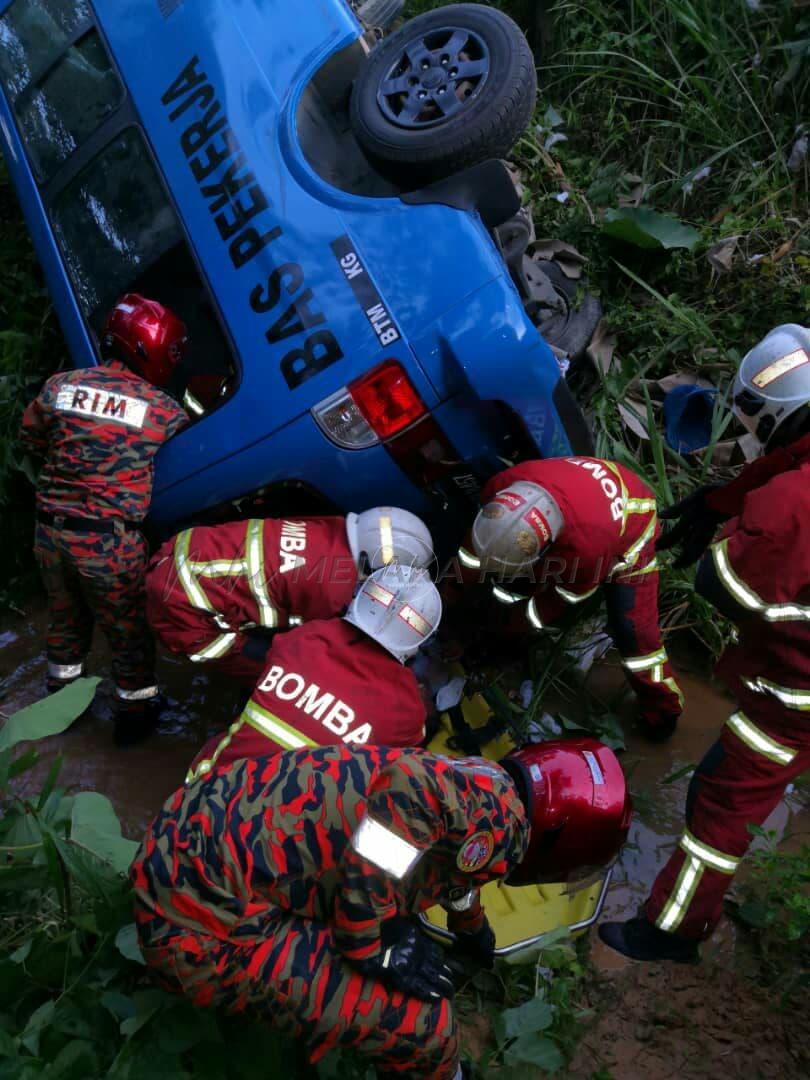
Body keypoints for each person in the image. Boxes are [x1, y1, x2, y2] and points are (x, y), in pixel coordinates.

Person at [131, 738, 631, 1080]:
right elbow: (411, 788)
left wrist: (469, 922)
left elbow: (443, 855)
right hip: (197, 926)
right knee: (426, 1025)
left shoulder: (485, 779)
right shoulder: (502, 825)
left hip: (189, 848)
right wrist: (372, 941)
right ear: (563, 842)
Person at [600, 324, 810, 963]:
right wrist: (719, 504)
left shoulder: (791, 508)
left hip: (795, 696)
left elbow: (728, 588)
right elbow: (788, 464)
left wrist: (722, 543)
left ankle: (670, 932)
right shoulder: (793, 479)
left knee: (721, 799)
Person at [19, 294, 190, 745]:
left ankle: (61, 717)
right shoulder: (164, 410)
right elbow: (187, 470)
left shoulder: (60, 387)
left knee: (64, 624)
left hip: (49, 535)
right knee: (129, 635)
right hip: (109, 546)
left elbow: (30, 438)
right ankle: (133, 730)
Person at [455, 457, 683, 740]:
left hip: (632, 529)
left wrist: (507, 629)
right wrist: (450, 596)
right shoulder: (502, 487)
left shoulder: (586, 550)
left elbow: (552, 604)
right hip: (583, 499)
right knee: (510, 581)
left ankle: (664, 709)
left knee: (633, 632)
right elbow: (475, 548)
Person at [185, 564, 442, 783]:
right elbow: (410, 745)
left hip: (203, 788)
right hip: (277, 831)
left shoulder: (308, 636)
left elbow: (277, 658)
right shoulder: (406, 707)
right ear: (418, 641)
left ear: (360, 598)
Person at [146, 506, 434, 682]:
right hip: (183, 598)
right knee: (276, 670)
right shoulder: (332, 592)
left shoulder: (331, 526)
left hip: (187, 548)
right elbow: (316, 639)